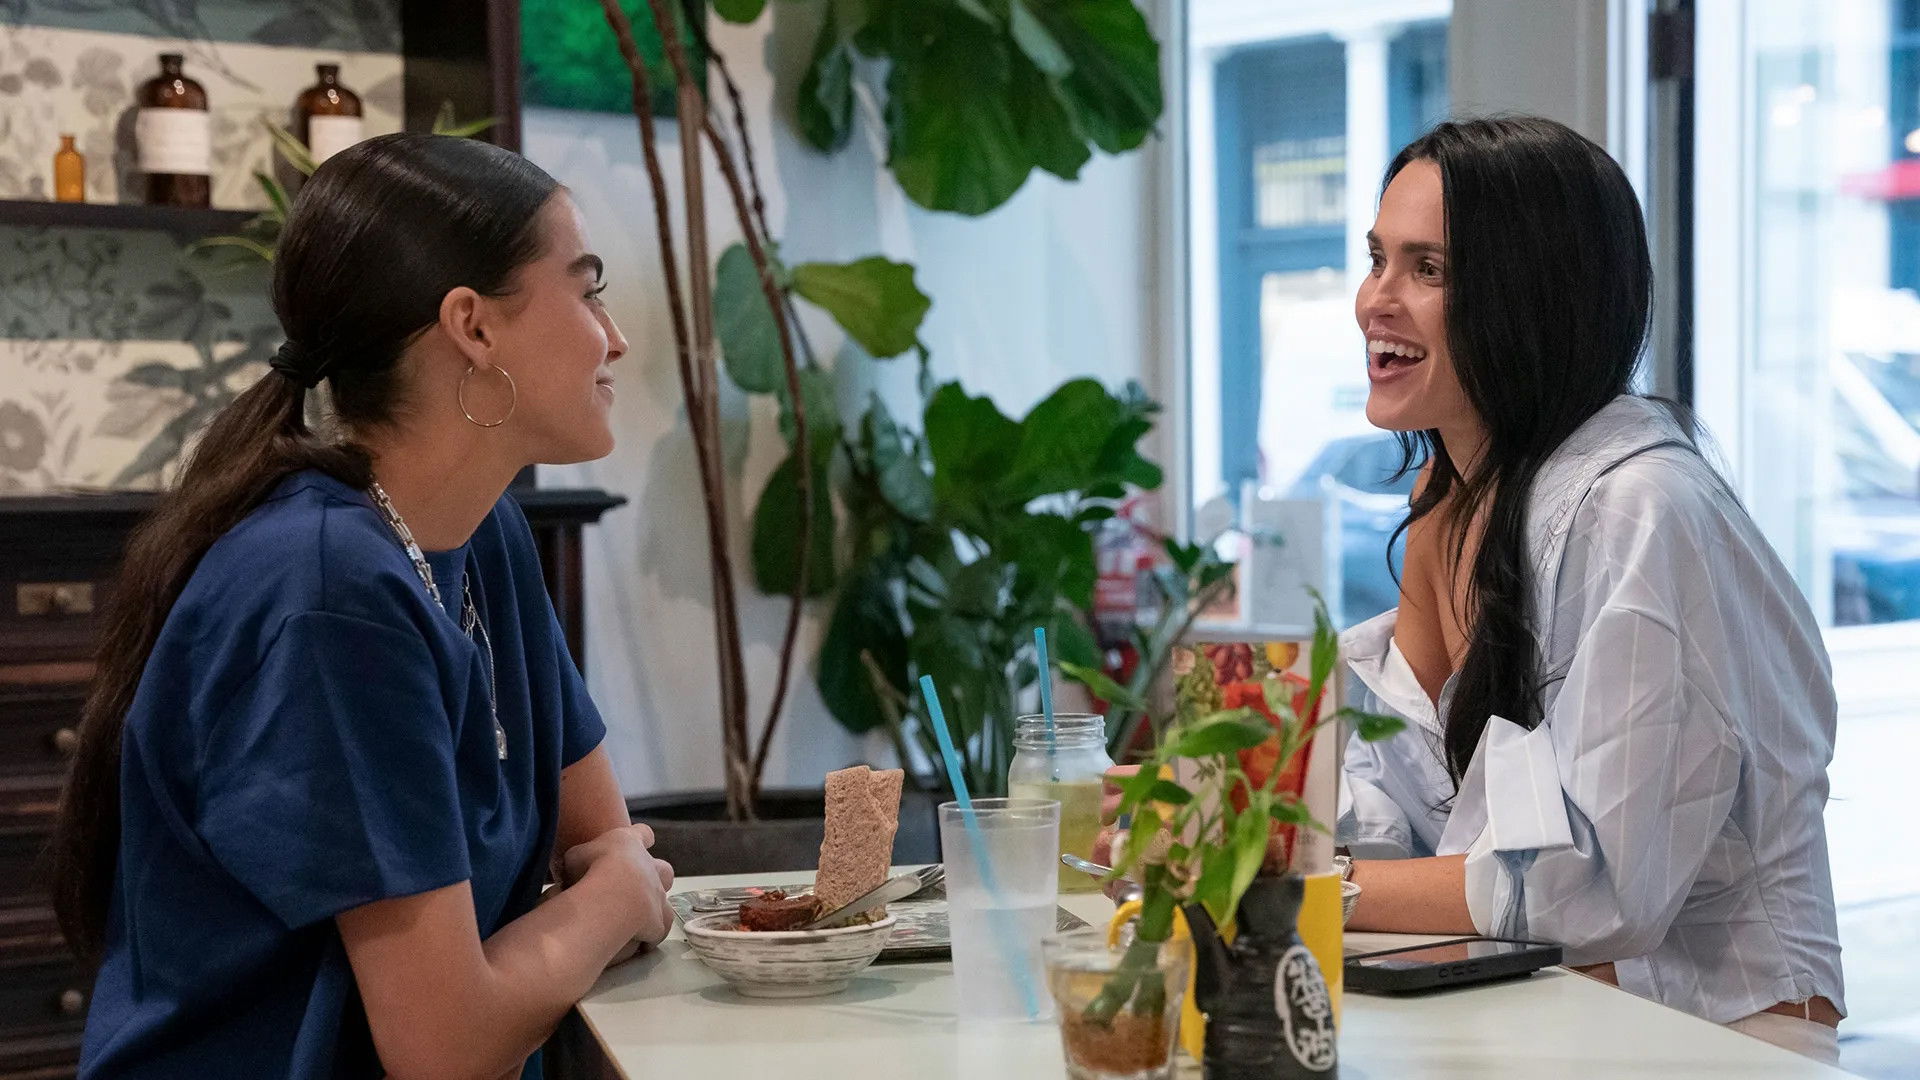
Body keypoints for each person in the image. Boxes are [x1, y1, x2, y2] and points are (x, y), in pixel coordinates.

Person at [51, 133, 673, 1080]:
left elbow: (599, 840)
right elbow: (448, 1045)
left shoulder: (483, 533)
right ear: (473, 326)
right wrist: (617, 899)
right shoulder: (327, 590)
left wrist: (608, 888)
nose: (613, 335)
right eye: (586, 290)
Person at [1335, 116, 1845, 1062]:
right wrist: (1210, 811)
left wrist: (1304, 890)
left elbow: (1587, 887)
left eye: (1428, 270)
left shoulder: (1640, 508)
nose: (1376, 300)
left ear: (1530, 295)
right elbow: (1405, 808)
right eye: (1377, 259)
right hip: (1544, 1021)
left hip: (1717, 1042)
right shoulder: (1449, 500)